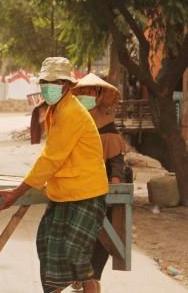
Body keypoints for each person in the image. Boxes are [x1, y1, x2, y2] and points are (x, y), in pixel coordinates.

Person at [0, 57, 108, 293]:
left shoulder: (71, 112)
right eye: (45, 82)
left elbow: (50, 159)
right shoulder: (54, 111)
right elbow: (51, 156)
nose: (49, 86)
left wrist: (16, 193)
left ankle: (91, 286)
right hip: (63, 192)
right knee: (47, 245)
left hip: (86, 192)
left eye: (55, 81)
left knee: (74, 251)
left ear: (67, 84)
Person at [70, 73, 127, 291]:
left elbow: (116, 161)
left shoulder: (108, 126)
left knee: (100, 237)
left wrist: (114, 187)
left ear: (100, 95)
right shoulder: (73, 121)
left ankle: (91, 281)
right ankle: (80, 276)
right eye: (83, 91)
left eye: (92, 91)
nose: (87, 94)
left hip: (101, 189)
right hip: (75, 187)